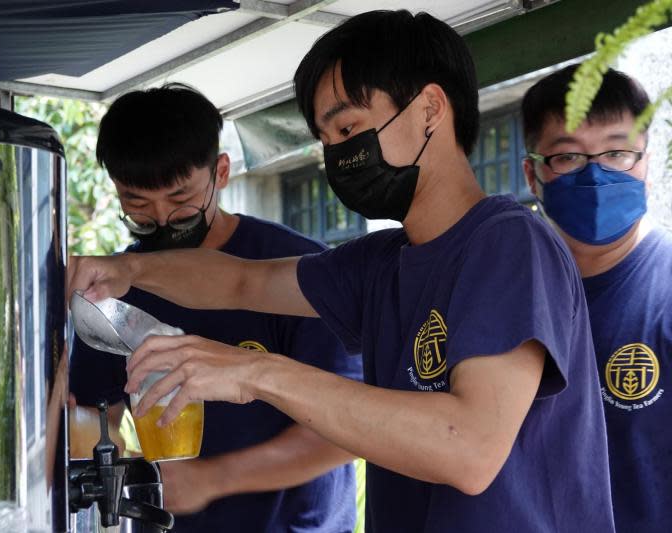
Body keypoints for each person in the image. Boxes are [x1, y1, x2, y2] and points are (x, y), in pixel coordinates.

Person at [68, 11, 616, 532]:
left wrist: (254, 372)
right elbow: (240, 280)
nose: (337, 155)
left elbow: (468, 448)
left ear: (430, 108)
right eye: (326, 141)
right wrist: (128, 268)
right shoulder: (381, 263)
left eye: (348, 127)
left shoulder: (506, 241)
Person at [68, 83, 361, 533]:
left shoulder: (295, 274)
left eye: (182, 199)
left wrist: (212, 479)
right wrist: (72, 423)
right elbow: (96, 416)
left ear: (221, 172)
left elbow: (347, 432)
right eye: (137, 204)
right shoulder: (113, 292)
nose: (162, 220)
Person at [521, 65, 671, 532]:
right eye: (568, 157)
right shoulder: (511, 295)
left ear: (647, 162)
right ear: (533, 175)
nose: (598, 174)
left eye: (618, 152)